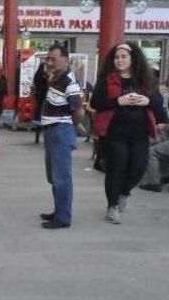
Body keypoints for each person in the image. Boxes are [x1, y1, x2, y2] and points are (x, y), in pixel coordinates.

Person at [91, 42, 167, 224]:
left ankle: (124, 193)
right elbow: (96, 103)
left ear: (133, 58)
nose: (119, 60)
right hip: (114, 132)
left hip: (140, 132)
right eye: (117, 57)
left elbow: (157, 103)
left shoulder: (145, 80)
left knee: (138, 167)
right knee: (117, 168)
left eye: (124, 56)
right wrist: (119, 101)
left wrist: (146, 101)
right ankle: (112, 206)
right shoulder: (106, 79)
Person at [38, 43, 84, 229]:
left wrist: (68, 124)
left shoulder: (69, 82)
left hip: (60, 132)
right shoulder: (56, 78)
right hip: (52, 131)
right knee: (53, 176)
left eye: (53, 59)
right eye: (48, 59)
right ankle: (58, 211)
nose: (49, 62)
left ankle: (63, 217)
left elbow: (79, 111)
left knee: (61, 177)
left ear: (66, 60)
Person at [31, 62, 48, 144]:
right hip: (43, 96)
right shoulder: (43, 76)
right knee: (42, 111)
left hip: (38, 95)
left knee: (38, 110)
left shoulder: (37, 74)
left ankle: (37, 137)